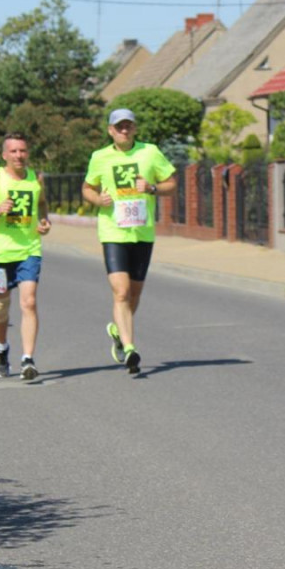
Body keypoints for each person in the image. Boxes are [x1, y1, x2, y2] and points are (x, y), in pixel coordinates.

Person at [81, 108, 177, 375]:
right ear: (111, 130)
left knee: (134, 293)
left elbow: (171, 183)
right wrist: (97, 199)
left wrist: (152, 188)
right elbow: (87, 188)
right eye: (119, 126)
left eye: (128, 126)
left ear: (134, 129)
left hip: (142, 232)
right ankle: (130, 348)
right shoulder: (99, 157)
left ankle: (117, 330)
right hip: (113, 231)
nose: (124, 130)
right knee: (121, 291)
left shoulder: (150, 152)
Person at [0, 134, 51, 380]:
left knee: (29, 302)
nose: (19, 155)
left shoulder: (36, 178)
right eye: (13, 151)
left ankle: (28, 359)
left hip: (29, 250)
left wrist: (44, 221)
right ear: (4, 155)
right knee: (1, 307)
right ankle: (2, 347)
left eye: (23, 151)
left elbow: (42, 203)